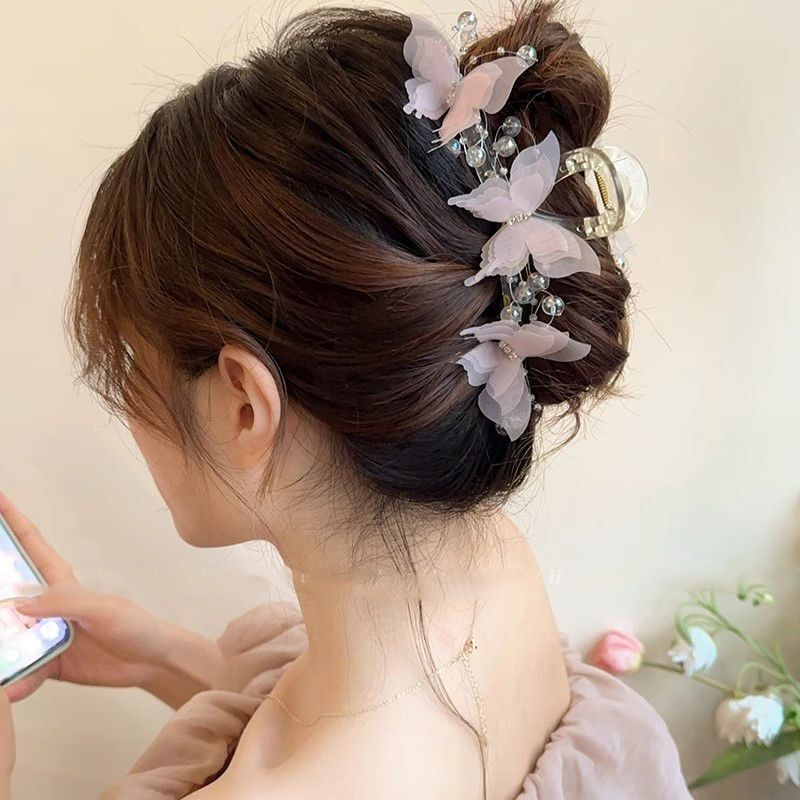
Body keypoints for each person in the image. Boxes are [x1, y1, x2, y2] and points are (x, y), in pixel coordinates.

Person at [0, 2, 693, 798]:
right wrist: (165, 658)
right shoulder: (488, 564)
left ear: (244, 406)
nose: (128, 410)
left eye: (133, 368)